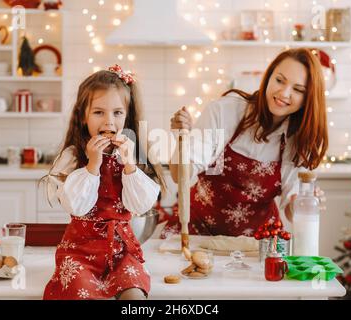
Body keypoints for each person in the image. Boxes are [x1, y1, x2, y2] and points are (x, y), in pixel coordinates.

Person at [161, 48, 328, 238]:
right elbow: (178, 175)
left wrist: (304, 202)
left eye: (298, 89)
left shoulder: (298, 139)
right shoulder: (225, 111)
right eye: (279, 80)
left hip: (257, 243)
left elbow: (291, 212)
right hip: (197, 232)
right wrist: (183, 141)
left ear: (308, 99)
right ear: (269, 76)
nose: (284, 92)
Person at [42, 65, 164, 300]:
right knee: (80, 291)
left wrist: (130, 166)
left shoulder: (132, 155)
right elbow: (76, 206)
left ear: (127, 116)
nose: (109, 121)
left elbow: (141, 206)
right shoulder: (72, 156)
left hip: (121, 252)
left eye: (118, 113)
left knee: (135, 296)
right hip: (80, 252)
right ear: (83, 116)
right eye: (99, 112)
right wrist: (92, 166)